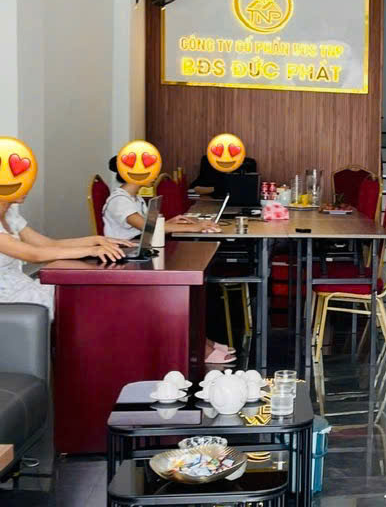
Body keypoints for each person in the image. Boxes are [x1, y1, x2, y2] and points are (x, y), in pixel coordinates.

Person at [102, 155, 235, 365]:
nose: (154, 174)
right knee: (177, 292)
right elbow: (148, 227)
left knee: (187, 288)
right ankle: (198, 345)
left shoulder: (134, 198)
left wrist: (173, 221)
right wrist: (196, 227)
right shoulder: (119, 201)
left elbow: (147, 227)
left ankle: (200, 341)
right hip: (125, 264)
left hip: (140, 258)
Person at [0, 200, 129, 317]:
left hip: (22, 286)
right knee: (82, 297)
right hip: (8, 298)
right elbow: (34, 255)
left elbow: (49, 244)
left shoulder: (10, 214)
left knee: (86, 291)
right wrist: (92, 250)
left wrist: (96, 240)